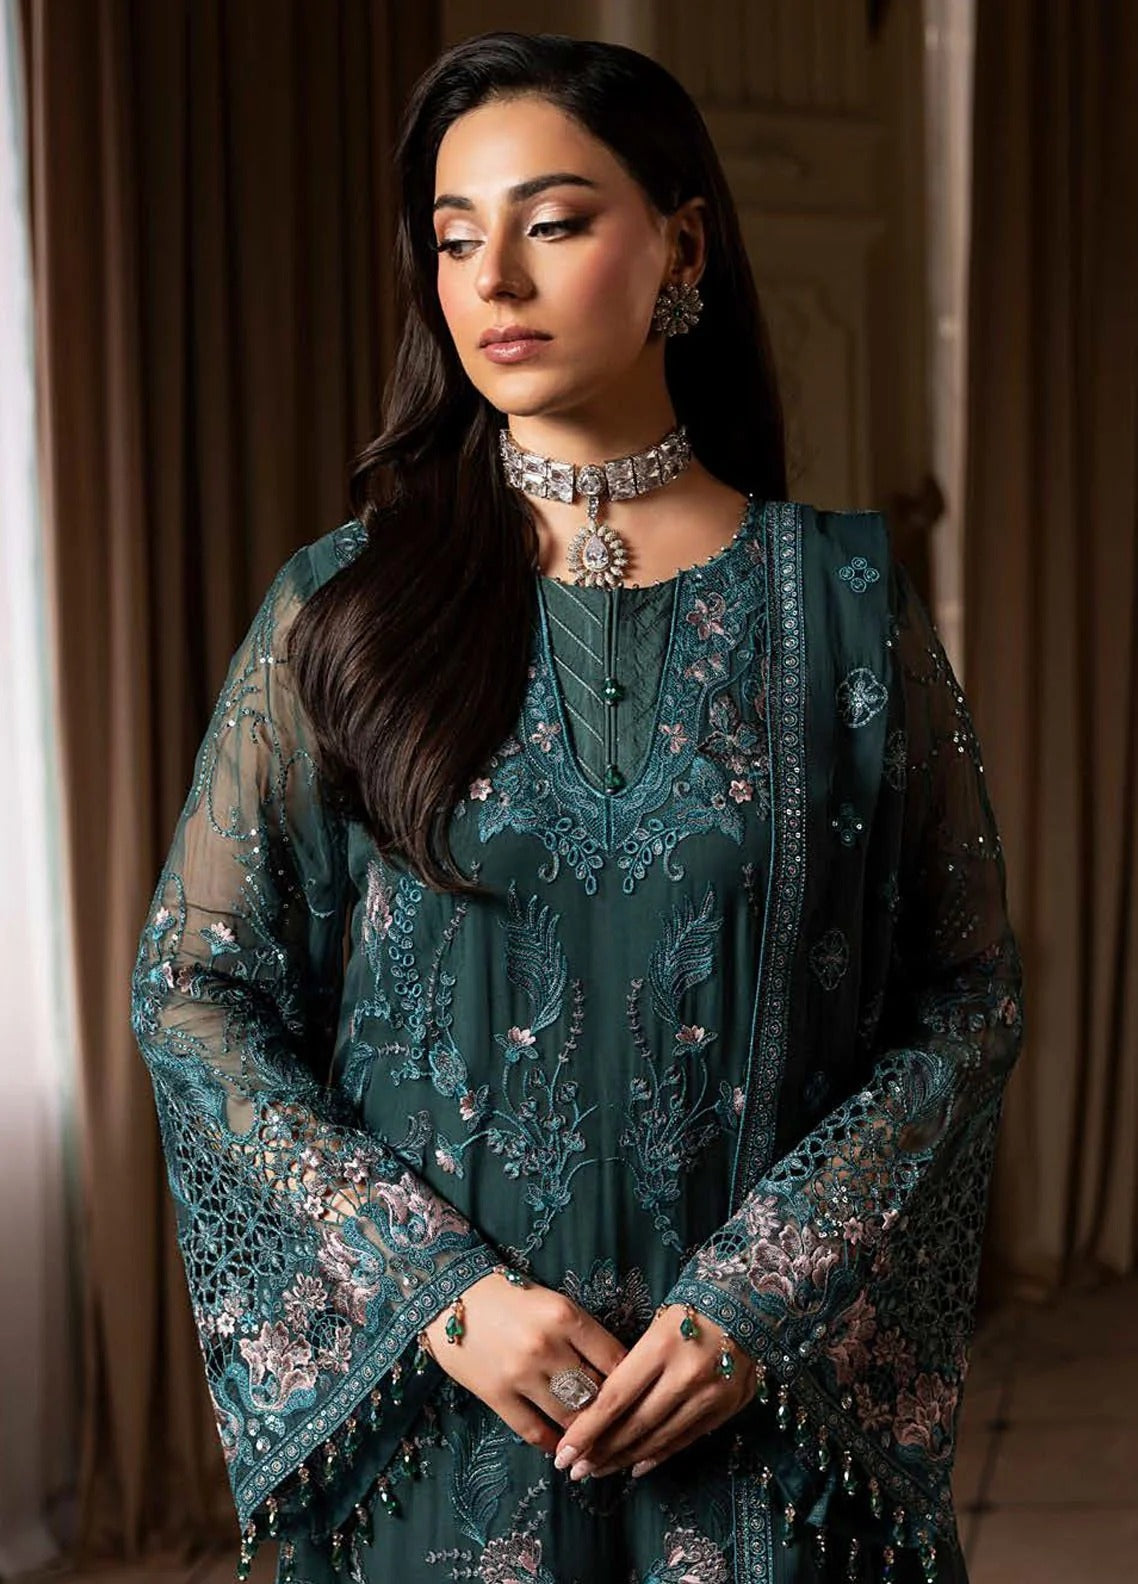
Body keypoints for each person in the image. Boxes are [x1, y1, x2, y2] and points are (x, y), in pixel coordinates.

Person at [130, 30, 1024, 1584]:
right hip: (446, 1415)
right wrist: (435, 1291)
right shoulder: (344, 610)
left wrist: (765, 1298)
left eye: (551, 223)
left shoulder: (842, 601)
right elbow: (193, 991)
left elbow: (962, 997)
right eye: (456, 239)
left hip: (757, 1432)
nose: (495, 282)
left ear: (680, 242)